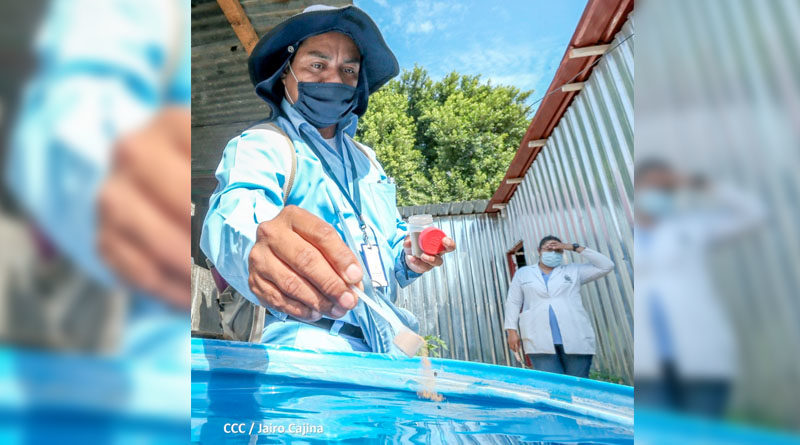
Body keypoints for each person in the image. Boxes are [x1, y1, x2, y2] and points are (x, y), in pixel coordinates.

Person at [200, 5, 455, 355]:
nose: (334, 80)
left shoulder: (369, 161)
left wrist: (410, 254)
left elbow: (389, 238)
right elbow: (232, 217)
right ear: (285, 73)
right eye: (317, 65)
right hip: (308, 346)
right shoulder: (264, 143)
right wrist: (254, 247)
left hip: (393, 344)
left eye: (348, 70)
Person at [634, 159, 764, 417]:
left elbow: (754, 213)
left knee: (702, 436)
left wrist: (702, 183)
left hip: (701, 360)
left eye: (665, 187)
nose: (658, 193)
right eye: (652, 186)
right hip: (649, 369)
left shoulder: (693, 228)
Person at [504, 236, 614, 378]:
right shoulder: (523, 273)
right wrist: (511, 331)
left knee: (578, 386)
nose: (553, 253)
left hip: (575, 336)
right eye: (549, 249)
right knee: (552, 386)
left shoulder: (574, 271)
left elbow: (607, 265)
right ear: (539, 251)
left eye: (558, 250)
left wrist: (573, 247)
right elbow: (513, 302)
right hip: (538, 338)